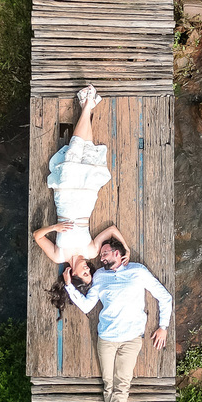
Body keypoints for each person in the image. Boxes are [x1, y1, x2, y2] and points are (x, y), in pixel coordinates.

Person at [62, 237, 172, 402]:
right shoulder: (100, 277)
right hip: (106, 338)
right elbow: (86, 306)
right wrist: (68, 286)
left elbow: (164, 296)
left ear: (119, 254)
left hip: (131, 339)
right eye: (101, 254)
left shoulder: (138, 271)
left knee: (121, 385)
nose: (101, 258)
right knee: (109, 386)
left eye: (105, 253)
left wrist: (163, 327)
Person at [32, 84, 127, 308]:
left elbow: (37, 236)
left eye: (83, 274)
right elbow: (112, 230)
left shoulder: (59, 256)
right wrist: (125, 248)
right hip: (85, 198)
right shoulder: (91, 251)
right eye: (89, 273)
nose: (88, 270)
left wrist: (54, 228)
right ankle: (87, 104)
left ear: (71, 274)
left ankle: (87, 105)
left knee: (74, 154)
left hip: (65, 198)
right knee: (88, 156)